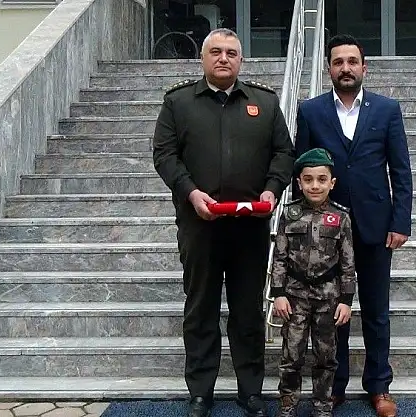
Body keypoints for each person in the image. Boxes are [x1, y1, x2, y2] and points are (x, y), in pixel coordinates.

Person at [152, 28, 296, 417]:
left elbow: (284, 153)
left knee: (247, 312)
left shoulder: (264, 103)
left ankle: (251, 391)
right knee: (201, 309)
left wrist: (272, 190)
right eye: (215, 51)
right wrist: (190, 193)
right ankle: (201, 392)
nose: (223, 58)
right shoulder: (179, 102)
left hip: (250, 229)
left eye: (231, 53)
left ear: (241, 61)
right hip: (200, 226)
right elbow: (164, 155)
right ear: (202, 58)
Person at [293, 34, 413, 417]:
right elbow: (300, 170)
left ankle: (379, 387)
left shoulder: (387, 110)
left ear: (364, 67)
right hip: (327, 230)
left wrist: (401, 221)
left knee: (376, 311)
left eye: (352, 61)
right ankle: (335, 386)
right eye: (338, 62)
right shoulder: (310, 111)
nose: (345, 68)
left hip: (376, 227)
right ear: (328, 68)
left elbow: (401, 170)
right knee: (332, 311)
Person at [270, 147, 356, 417]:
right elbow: (279, 257)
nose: (314, 186)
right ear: (299, 183)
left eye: (321, 179)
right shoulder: (289, 214)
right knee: (291, 355)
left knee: (325, 357)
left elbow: (348, 263)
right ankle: (288, 404)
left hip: (328, 298)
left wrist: (346, 300)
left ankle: (322, 405)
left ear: (332, 183)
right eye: (308, 180)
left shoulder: (340, 217)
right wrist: (278, 293)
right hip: (294, 297)